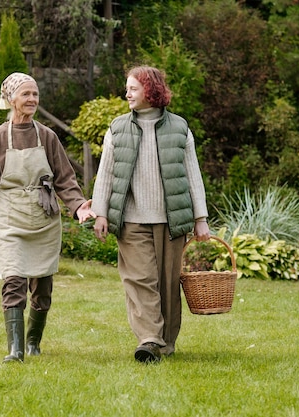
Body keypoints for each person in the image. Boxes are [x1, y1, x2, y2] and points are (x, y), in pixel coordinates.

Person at [0, 72, 96, 363]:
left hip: (44, 218)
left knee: (43, 284)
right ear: (11, 99)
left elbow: (65, 180)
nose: (32, 99)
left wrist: (79, 207)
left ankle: (34, 341)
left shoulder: (47, 136)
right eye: (26, 94)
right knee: (13, 279)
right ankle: (16, 349)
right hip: (10, 217)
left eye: (35, 94)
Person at [91, 65, 210, 363]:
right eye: (127, 88)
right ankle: (149, 338)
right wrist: (100, 212)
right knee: (140, 280)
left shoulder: (179, 128)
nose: (127, 93)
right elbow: (105, 173)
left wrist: (200, 219)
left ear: (150, 90)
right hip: (131, 220)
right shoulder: (117, 128)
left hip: (171, 221)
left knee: (167, 284)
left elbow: (192, 175)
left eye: (133, 88)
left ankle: (165, 342)